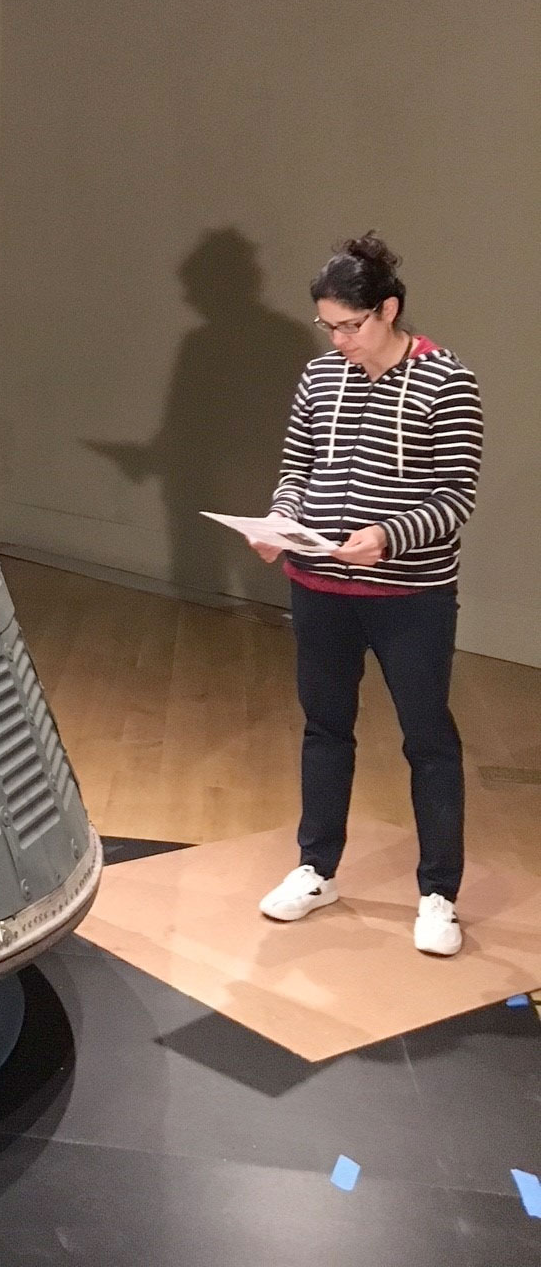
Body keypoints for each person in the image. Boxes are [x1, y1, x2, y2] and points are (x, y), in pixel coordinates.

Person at [251, 234, 483, 956]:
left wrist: (387, 536)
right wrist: (279, 523)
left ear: (388, 310)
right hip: (319, 587)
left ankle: (438, 893)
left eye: (350, 325)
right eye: (328, 326)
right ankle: (316, 869)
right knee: (325, 729)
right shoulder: (320, 377)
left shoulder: (447, 381)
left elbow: (455, 498)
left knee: (428, 739)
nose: (339, 340)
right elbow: (296, 468)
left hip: (409, 596)